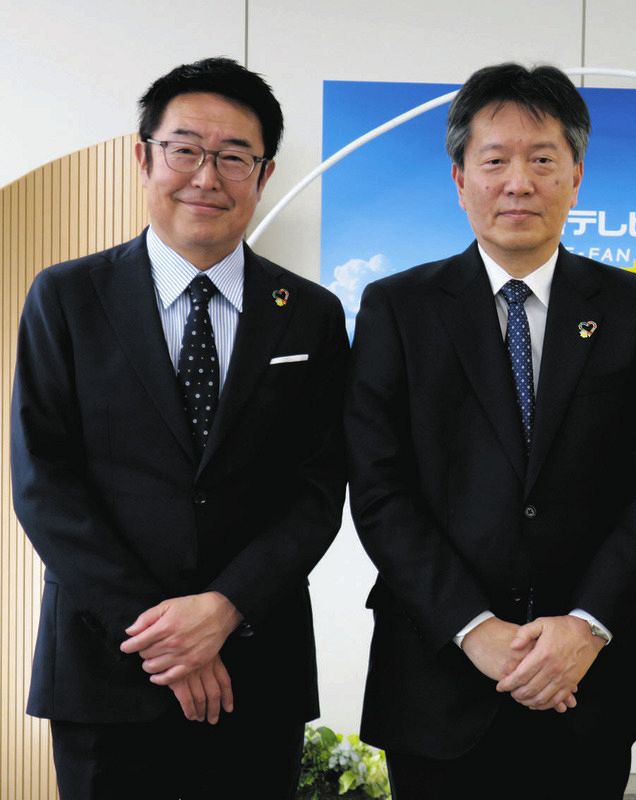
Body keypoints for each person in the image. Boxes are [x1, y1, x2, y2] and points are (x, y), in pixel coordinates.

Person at [346, 62, 636, 799]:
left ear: (576, 176)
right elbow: (379, 490)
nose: (518, 183)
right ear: (459, 179)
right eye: (495, 160)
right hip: (437, 676)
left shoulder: (635, 308)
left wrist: (587, 625)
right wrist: (475, 628)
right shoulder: (397, 308)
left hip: (583, 680)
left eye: (542, 160)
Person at [10, 57, 348, 800]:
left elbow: (319, 489)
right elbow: (44, 484)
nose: (206, 177)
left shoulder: (312, 315)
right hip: (105, 667)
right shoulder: (66, 297)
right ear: (145, 158)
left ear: (263, 174)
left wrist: (223, 609)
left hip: (256, 667)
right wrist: (161, 634)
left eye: (234, 157)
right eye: (185, 149)